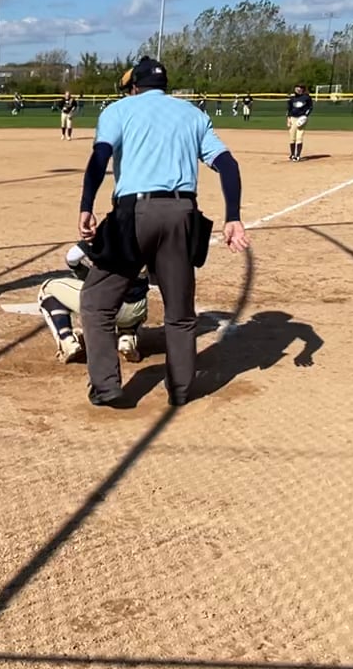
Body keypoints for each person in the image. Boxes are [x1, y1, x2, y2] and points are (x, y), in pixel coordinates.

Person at [77, 56, 249, 408]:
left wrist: (86, 204)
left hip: (133, 213)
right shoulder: (193, 114)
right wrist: (233, 216)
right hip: (182, 213)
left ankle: (107, 387)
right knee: (180, 312)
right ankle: (181, 389)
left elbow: (100, 158)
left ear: (134, 87)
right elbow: (227, 164)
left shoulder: (118, 110)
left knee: (96, 302)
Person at [40, 239, 147, 364]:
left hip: (104, 308)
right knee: (135, 293)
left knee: (47, 288)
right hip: (135, 311)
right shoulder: (144, 234)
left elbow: (72, 258)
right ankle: (127, 338)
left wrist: (84, 273)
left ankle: (67, 341)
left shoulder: (105, 233)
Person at [285, 84, 314, 162]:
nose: (298, 89)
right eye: (297, 88)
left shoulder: (306, 97)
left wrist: (305, 116)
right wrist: (288, 119)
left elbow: (310, 107)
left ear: (303, 89)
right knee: (292, 138)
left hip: (301, 118)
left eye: (300, 88)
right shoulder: (292, 98)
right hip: (293, 118)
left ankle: (297, 155)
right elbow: (289, 109)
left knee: (299, 137)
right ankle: (292, 154)